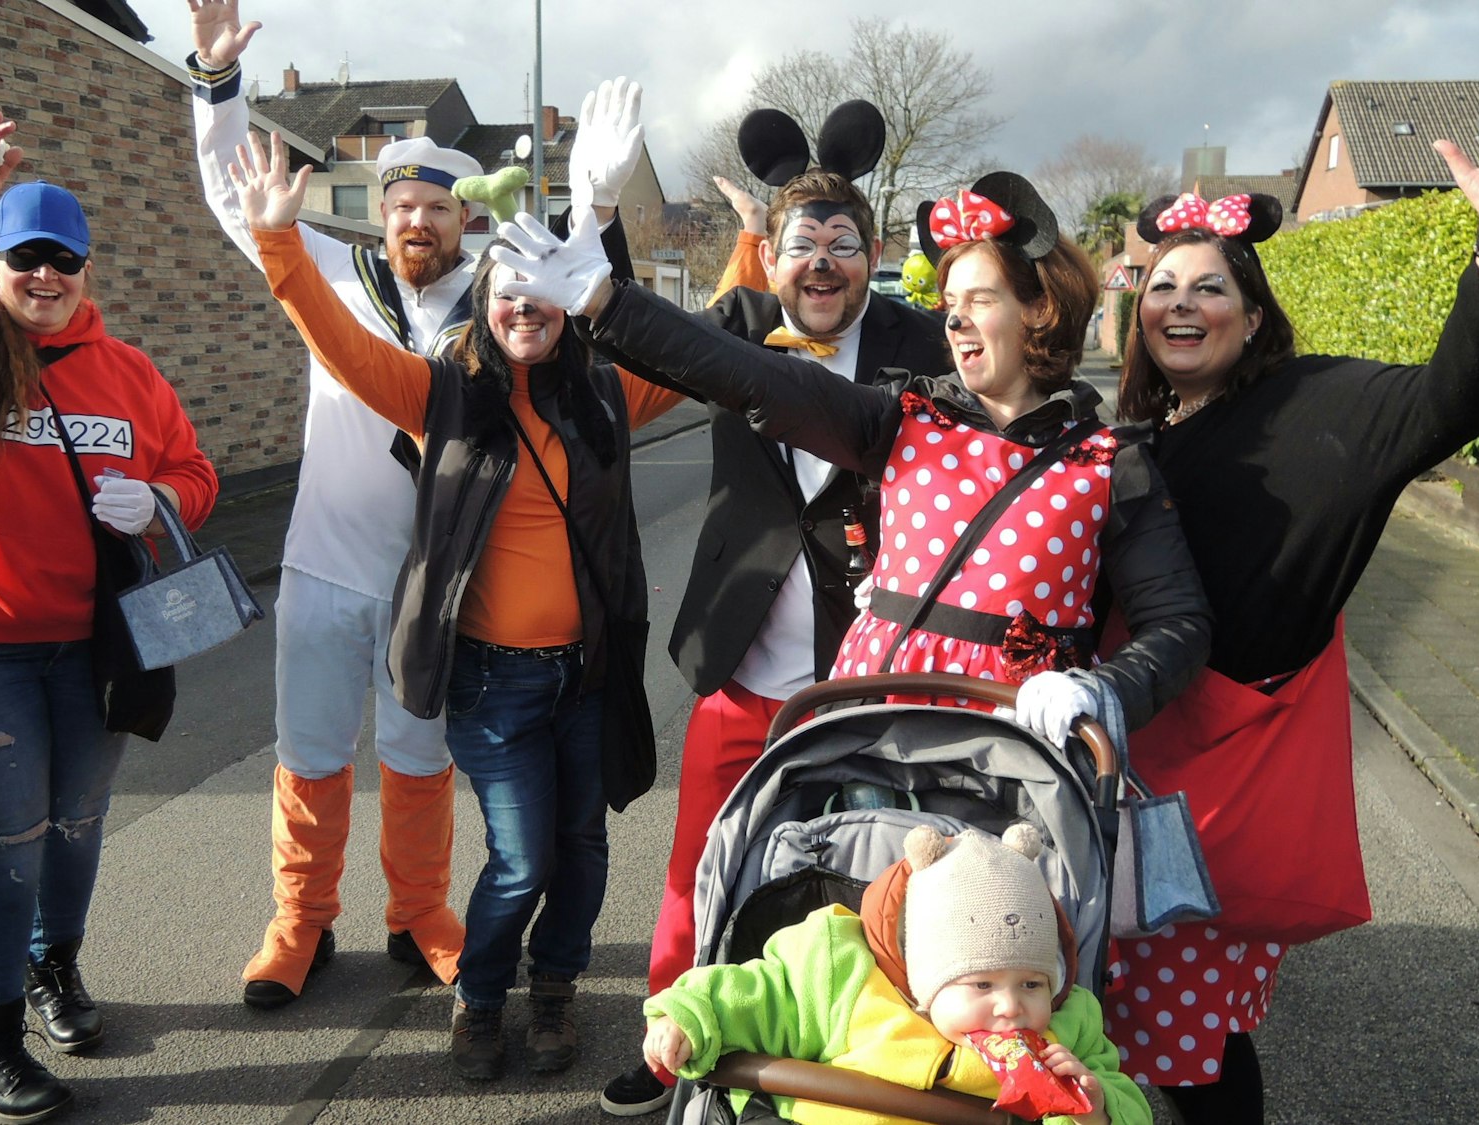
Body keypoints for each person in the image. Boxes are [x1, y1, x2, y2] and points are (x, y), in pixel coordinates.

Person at [1103, 76, 1479, 1123]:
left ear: (1251, 314)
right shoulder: (1129, 438)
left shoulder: (1317, 406)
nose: (1179, 303)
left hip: (1214, 793)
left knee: (1188, 1048)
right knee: (1106, 1029)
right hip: (1122, 762)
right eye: (1160, 286)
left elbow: (1449, 398)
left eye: (1206, 288)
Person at [233, 126, 683, 1082]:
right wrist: (279, 245)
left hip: (585, 676)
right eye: (506, 289)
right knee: (521, 857)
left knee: (585, 850)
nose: (524, 305)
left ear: (570, 302)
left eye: (544, 289)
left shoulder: (606, 396)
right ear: (484, 301)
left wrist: (702, 239)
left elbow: (698, 347)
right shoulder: (445, 394)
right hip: (489, 678)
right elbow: (344, 349)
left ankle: (552, 986)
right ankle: (478, 996)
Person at [497, 170, 1209, 755]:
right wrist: (603, 299)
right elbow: (756, 377)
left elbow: (1176, 624)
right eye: (948, 302)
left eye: (980, 299)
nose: (954, 319)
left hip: (1014, 753)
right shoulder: (902, 419)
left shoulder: (1112, 461)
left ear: (1039, 309)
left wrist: (1103, 689)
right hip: (871, 740)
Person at [0, 114, 220, 1122]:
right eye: (25, 258)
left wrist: (159, 503)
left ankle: (51, 970)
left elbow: (193, 472)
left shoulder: (129, 372)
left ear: (84, 267)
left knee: (72, 826)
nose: (45, 276)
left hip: (93, 648)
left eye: (62, 260)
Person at [595, 147, 953, 1115]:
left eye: (843, 245)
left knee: (860, 869)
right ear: (773, 258)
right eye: (803, 245)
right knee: (699, 870)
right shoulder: (738, 326)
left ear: (870, 256)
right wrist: (596, 215)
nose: (822, 263)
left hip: (865, 682)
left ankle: (846, 1052)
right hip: (742, 668)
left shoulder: (919, 344)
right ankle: (669, 1040)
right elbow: (632, 340)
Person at [188, 0, 475, 1002]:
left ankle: (420, 913)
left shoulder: (500, 290)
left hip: (431, 580)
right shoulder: (336, 271)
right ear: (380, 209)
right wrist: (217, 87)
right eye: (401, 203)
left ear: (463, 217)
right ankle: (300, 924)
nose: (415, 220)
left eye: (436, 205)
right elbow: (238, 201)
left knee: (417, 752)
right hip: (321, 563)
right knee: (309, 754)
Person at [641, 825, 1148, 1125]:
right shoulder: (843, 977)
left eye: (1032, 984)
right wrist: (686, 1019)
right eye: (981, 984)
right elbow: (759, 994)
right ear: (924, 978)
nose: (1011, 1007)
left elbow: (1126, 1099)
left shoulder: (1070, 1026)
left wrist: (1095, 1107)